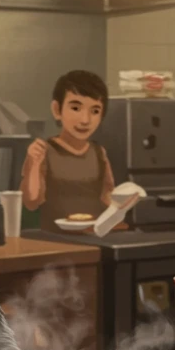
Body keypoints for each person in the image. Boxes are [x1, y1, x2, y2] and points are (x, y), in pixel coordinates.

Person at [20, 70, 116, 233]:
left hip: (94, 238)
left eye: (95, 111)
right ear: (57, 110)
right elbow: (31, 201)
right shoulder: (43, 151)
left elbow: (108, 198)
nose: (85, 120)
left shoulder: (99, 153)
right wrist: (34, 163)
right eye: (76, 108)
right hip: (54, 239)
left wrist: (125, 201)